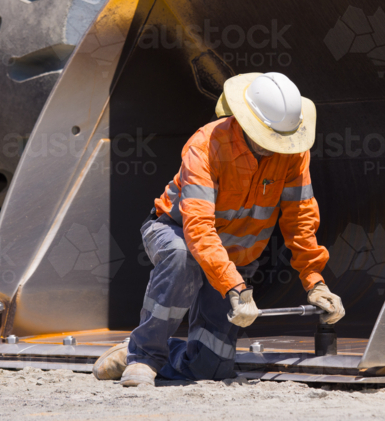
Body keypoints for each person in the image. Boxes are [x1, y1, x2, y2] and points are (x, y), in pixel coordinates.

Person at [92, 72, 344, 386]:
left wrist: (315, 282)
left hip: (235, 256)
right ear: (246, 121)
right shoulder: (206, 144)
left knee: (210, 368)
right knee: (182, 256)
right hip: (175, 231)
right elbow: (197, 227)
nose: (276, 147)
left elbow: (300, 218)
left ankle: (130, 351)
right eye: (269, 138)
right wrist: (235, 288)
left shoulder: (293, 150)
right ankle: (144, 355)